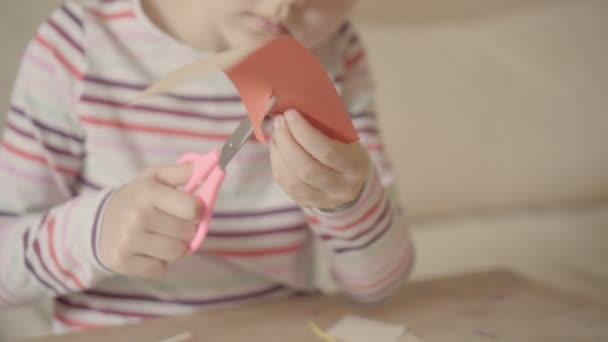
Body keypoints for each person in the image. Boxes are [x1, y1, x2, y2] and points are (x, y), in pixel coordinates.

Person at [0, 0, 414, 333]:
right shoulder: (78, 44)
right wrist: (92, 234)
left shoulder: (336, 54)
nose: (282, 8)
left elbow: (380, 287)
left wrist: (349, 203)